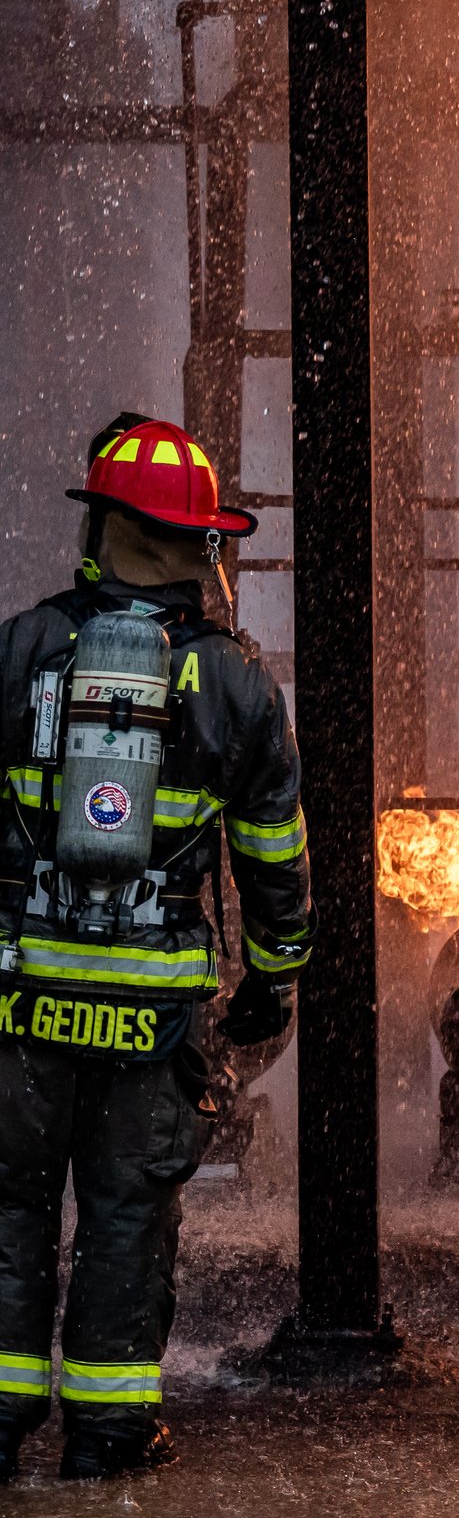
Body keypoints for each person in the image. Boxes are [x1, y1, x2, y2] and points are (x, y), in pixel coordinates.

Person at [0, 416, 310, 1479]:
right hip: (154, 1018)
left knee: (10, 1205)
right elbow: (274, 855)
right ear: (197, 548)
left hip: (20, 1003)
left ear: (104, 528)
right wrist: (274, 976)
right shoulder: (233, 682)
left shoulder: (24, 647)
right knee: (126, 1214)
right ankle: (106, 1436)